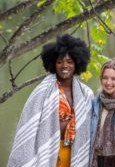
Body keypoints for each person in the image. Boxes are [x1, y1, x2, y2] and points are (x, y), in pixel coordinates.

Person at [7, 34, 94, 167]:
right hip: (48, 153)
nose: (64, 65)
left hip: (74, 154)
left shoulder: (86, 94)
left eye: (69, 62)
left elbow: (91, 129)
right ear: (53, 64)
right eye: (60, 62)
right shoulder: (43, 91)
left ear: (77, 63)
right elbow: (28, 122)